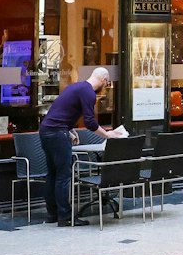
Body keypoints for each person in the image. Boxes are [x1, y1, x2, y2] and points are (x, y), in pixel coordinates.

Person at [38, 66, 124, 227]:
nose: (106, 86)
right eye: (107, 83)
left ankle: (52, 214)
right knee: (63, 175)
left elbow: (59, 110)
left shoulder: (77, 87)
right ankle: (65, 217)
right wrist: (108, 135)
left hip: (46, 130)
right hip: (58, 133)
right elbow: (90, 122)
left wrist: (70, 130)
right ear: (104, 80)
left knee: (53, 173)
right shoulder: (89, 92)